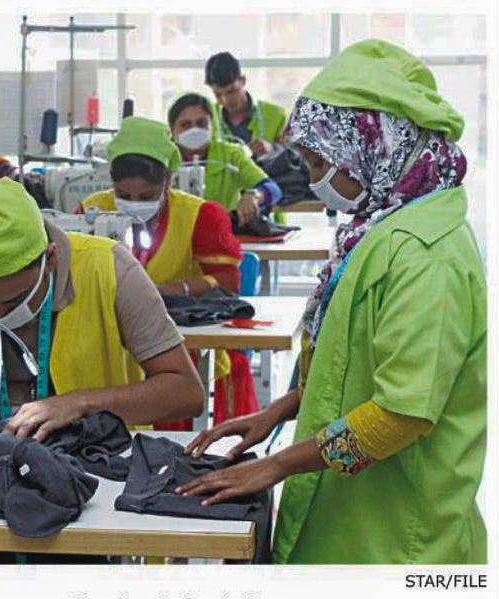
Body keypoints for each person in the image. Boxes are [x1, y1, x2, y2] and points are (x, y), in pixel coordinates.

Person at [178, 40, 486, 564]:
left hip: (398, 540)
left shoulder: (425, 256)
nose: (314, 178)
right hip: (353, 518)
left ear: (376, 147)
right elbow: (347, 360)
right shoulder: (378, 229)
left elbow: (400, 414)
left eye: (321, 162)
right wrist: (277, 411)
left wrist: (276, 465)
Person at [0, 177, 204, 450]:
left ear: (51, 258)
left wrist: (82, 404)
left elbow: (186, 392)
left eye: (15, 299)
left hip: (97, 458)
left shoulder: (110, 270)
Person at [78, 116, 256, 428]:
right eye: (123, 195)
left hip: (181, 352)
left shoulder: (199, 216)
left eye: (147, 196)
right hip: (112, 346)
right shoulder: (92, 209)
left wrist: (173, 290)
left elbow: (228, 283)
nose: (134, 204)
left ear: (169, 180)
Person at [167, 92, 281, 224]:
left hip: (224, 231)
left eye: (201, 123)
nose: (194, 130)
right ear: (172, 129)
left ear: (212, 125)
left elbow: (273, 189)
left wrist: (254, 196)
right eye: (185, 125)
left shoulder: (230, 154)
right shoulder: (164, 158)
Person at [205, 52, 288, 159]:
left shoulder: (276, 115)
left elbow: (296, 157)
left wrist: (273, 149)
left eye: (231, 92)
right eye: (218, 95)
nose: (226, 101)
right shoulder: (207, 118)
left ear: (243, 80)